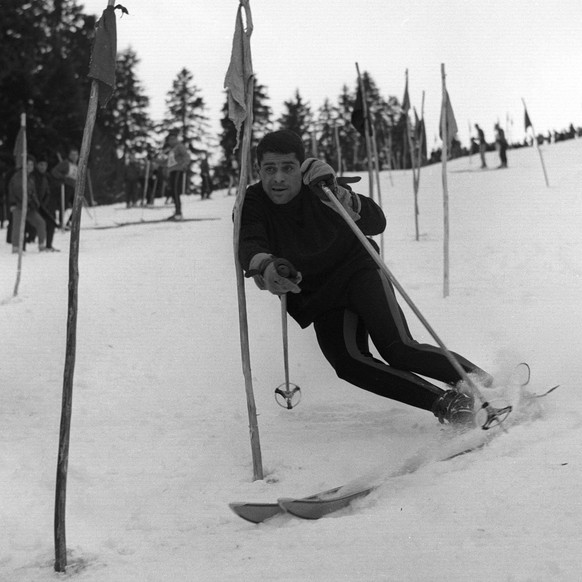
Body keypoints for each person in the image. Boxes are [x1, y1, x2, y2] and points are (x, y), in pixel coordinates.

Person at [238, 130, 493, 428]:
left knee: (398, 348)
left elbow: (376, 222)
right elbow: (248, 244)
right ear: (259, 171)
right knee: (348, 363)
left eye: (287, 168)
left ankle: (486, 385)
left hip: (358, 270)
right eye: (270, 169)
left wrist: (337, 194)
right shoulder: (252, 202)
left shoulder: (319, 187)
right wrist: (266, 266)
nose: (278, 178)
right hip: (317, 295)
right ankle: (447, 404)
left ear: (300, 166)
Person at [9, 155, 48, 253]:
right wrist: (27, 201)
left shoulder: (30, 177)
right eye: (28, 164)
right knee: (18, 226)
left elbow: (33, 192)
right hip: (18, 205)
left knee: (40, 222)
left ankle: (42, 245)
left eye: (31, 164)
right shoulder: (19, 176)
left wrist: (35, 203)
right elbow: (18, 190)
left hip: (29, 207)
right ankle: (16, 247)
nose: (30, 166)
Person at [33, 155, 60, 251]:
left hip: (43, 205)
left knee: (51, 222)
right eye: (41, 165)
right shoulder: (33, 176)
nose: (43, 167)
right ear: (37, 165)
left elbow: (50, 191)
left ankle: (48, 245)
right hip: (33, 205)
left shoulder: (47, 177)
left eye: (45, 165)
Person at [165, 130, 190, 220]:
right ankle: (176, 212)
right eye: (169, 140)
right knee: (172, 192)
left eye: (171, 139)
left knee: (175, 191)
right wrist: (154, 160)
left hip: (178, 170)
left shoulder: (179, 146)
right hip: (172, 171)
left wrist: (184, 165)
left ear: (175, 139)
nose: (170, 141)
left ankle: (179, 213)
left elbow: (186, 156)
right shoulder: (171, 150)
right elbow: (167, 162)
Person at [51, 147, 79, 227]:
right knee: (63, 205)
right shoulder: (65, 163)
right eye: (72, 155)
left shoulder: (76, 165)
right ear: (69, 155)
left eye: (76, 155)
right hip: (65, 187)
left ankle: (70, 221)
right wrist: (63, 177)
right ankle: (61, 222)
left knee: (77, 204)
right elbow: (54, 171)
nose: (74, 157)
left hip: (73, 187)